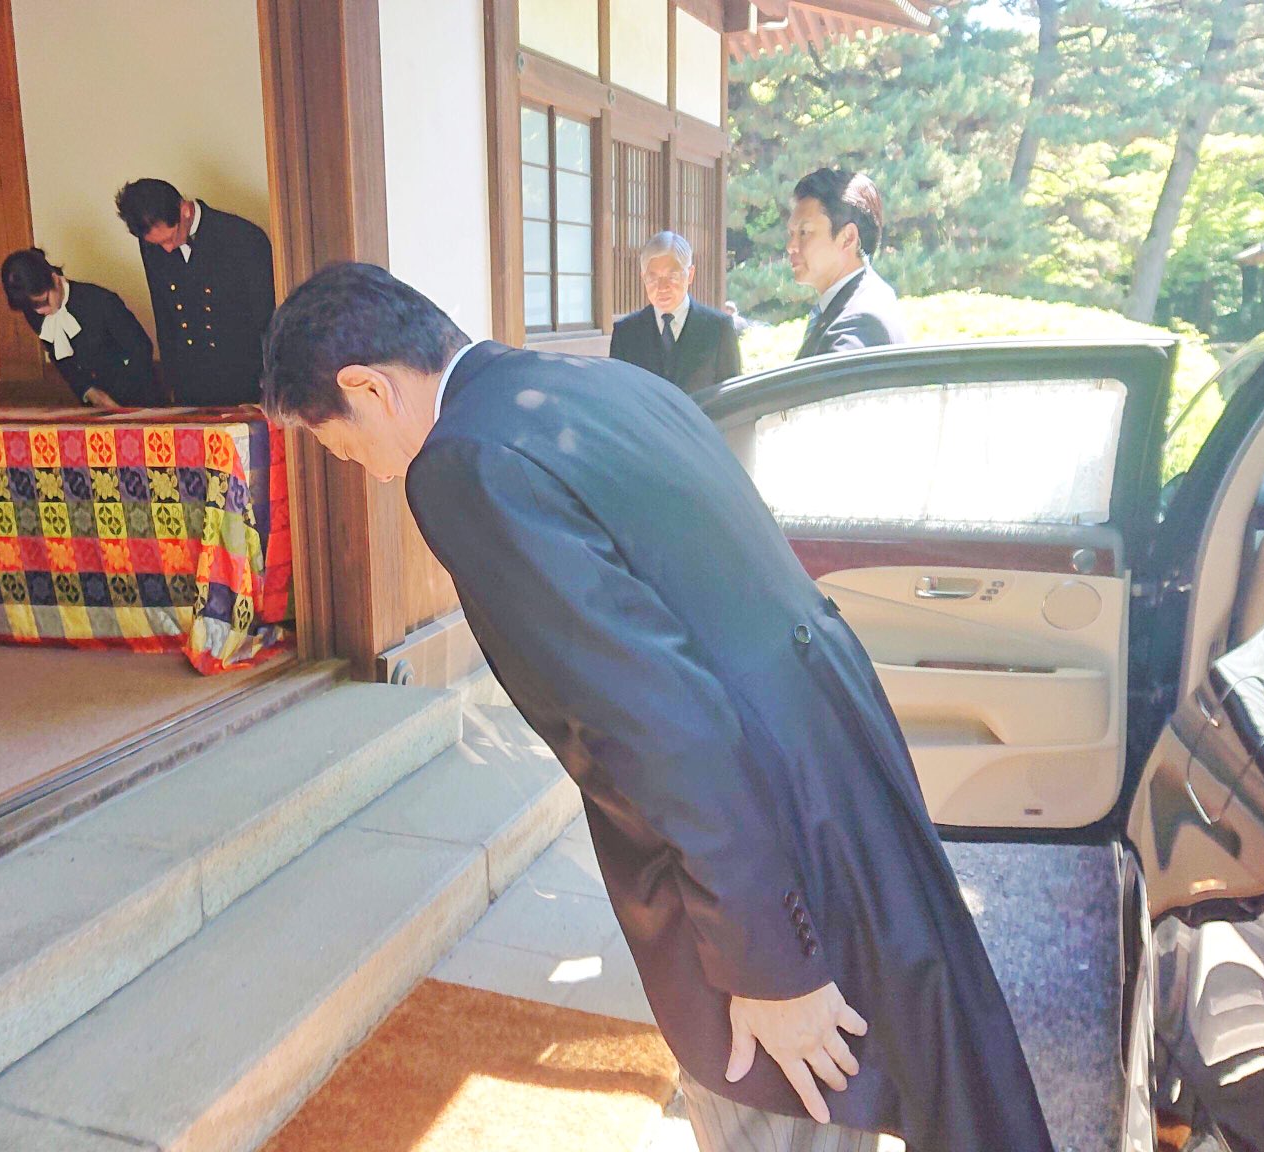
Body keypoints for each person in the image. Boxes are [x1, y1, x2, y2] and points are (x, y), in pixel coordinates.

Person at [260, 262, 1055, 1152]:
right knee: (891, 1072)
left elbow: (654, 724)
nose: (366, 472)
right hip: (830, 764)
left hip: (755, 840)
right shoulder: (603, 384)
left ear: (368, 388)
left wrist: (770, 963)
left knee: (787, 1099)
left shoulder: (463, 462)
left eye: (342, 446)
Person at [113, 178, 274, 407]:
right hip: (190, 388)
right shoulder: (152, 244)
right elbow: (164, 314)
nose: (167, 249)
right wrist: (172, 381)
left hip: (243, 382)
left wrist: (269, 387)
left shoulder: (243, 237)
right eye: (158, 244)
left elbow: (266, 319)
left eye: (170, 239)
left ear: (185, 210)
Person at [0, 248, 164, 408]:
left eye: (44, 302)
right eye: (32, 306)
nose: (40, 311)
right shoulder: (35, 313)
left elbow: (141, 348)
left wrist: (118, 399)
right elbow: (61, 359)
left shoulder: (100, 301)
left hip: (139, 398)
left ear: (55, 279)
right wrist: (89, 391)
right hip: (95, 404)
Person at [787, 168, 907, 360]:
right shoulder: (860, 300)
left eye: (804, 232)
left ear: (848, 238)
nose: (791, 246)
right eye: (791, 234)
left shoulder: (859, 322)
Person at [608, 231, 742, 394]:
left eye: (672, 276)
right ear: (643, 277)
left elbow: (732, 398)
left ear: (690, 274)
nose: (662, 287)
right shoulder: (625, 332)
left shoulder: (719, 328)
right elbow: (617, 396)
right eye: (653, 278)